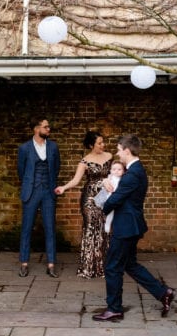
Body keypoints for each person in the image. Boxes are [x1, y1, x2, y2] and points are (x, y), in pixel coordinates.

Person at [92, 134, 175, 322]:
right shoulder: (135, 170)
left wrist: (104, 201)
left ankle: (114, 308)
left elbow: (114, 200)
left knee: (112, 267)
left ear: (127, 151)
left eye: (119, 150)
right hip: (131, 225)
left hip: (126, 227)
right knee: (130, 264)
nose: (117, 153)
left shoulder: (132, 174)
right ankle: (164, 293)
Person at [54, 130, 113, 278]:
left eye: (103, 142)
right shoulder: (85, 161)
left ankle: (103, 266)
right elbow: (76, 180)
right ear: (91, 145)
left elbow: (115, 175)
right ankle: (88, 267)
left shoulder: (110, 157)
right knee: (90, 229)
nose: (102, 145)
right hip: (89, 200)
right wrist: (63, 187)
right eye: (99, 143)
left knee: (104, 231)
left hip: (105, 198)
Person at [17, 117, 61, 278]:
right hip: (31, 191)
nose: (49, 129)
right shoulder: (24, 148)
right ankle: (24, 263)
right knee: (27, 228)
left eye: (49, 127)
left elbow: (56, 168)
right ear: (36, 129)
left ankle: (51, 264)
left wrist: (49, 184)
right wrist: (30, 183)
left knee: (50, 228)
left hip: (48, 192)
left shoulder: (53, 147)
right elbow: (21, 171)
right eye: (46, 127)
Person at [98, 161, 126, 234]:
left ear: (123, 171)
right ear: (110, 171)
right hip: (106, 197)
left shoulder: (122, 180)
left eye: (119, 169)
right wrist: (105, 183)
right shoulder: (109, 177)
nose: (116, 171)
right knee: (106, 211)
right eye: (114, 169)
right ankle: (106, 223)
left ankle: (108, 224)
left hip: (114, 197)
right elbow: (101, 186)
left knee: (112, 212)